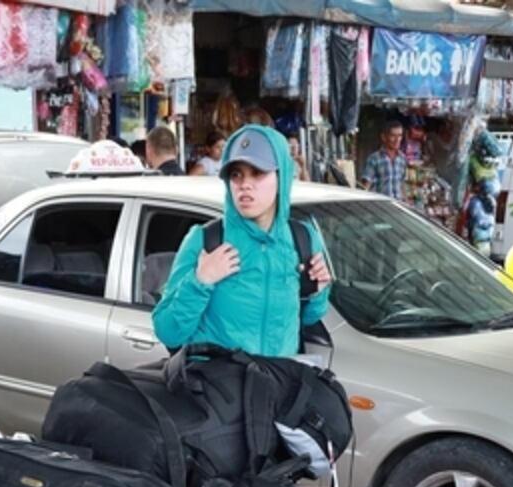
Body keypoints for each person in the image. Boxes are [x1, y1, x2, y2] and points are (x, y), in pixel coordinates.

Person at [153, 125, 332, 357]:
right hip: (216, 388)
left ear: (283, 177)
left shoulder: (304, 239)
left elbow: (309, 318)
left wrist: (318, 291)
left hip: (276, 385)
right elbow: (167, 332)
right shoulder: (206, 240)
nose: (245, 184)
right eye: (236, 174)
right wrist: (200, 281)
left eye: (258, 172)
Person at [361, 120, 407, 200]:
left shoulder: (402, 159)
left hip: (397, 206)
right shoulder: (374, 159)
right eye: (393, 136)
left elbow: (401, 184)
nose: (397, 140)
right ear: (384, 137)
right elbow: (366, 186)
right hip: (381, 207)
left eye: (399, 136)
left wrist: (406, 202)